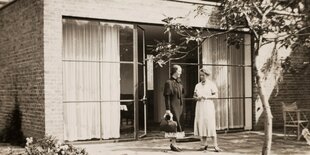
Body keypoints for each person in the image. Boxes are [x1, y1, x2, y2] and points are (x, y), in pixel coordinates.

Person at [193, 67, 222, 152]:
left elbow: (216, 96)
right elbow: (194, 96)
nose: (201, 77)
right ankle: (204, 144)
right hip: (200, 106)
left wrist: (207, 97)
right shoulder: (197, 85)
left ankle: (215, 145)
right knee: (202, 124)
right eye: (200, 75)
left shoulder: (211, 84)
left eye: (203, 75)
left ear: (207, 75)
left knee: (210, 124)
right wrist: (197, 98)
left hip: (208, 106)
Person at [163, 65, 185, 152]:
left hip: (179, 106)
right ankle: (173, 144)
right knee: (173, 125)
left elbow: (182, 92)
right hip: (173, 106)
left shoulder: (179, 82)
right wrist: (168, 110)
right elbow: (167, 97)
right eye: (179, 71)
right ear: (175, 71)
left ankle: (174, 144)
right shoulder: (168, 82)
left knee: (178, 125)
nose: (181, 72)